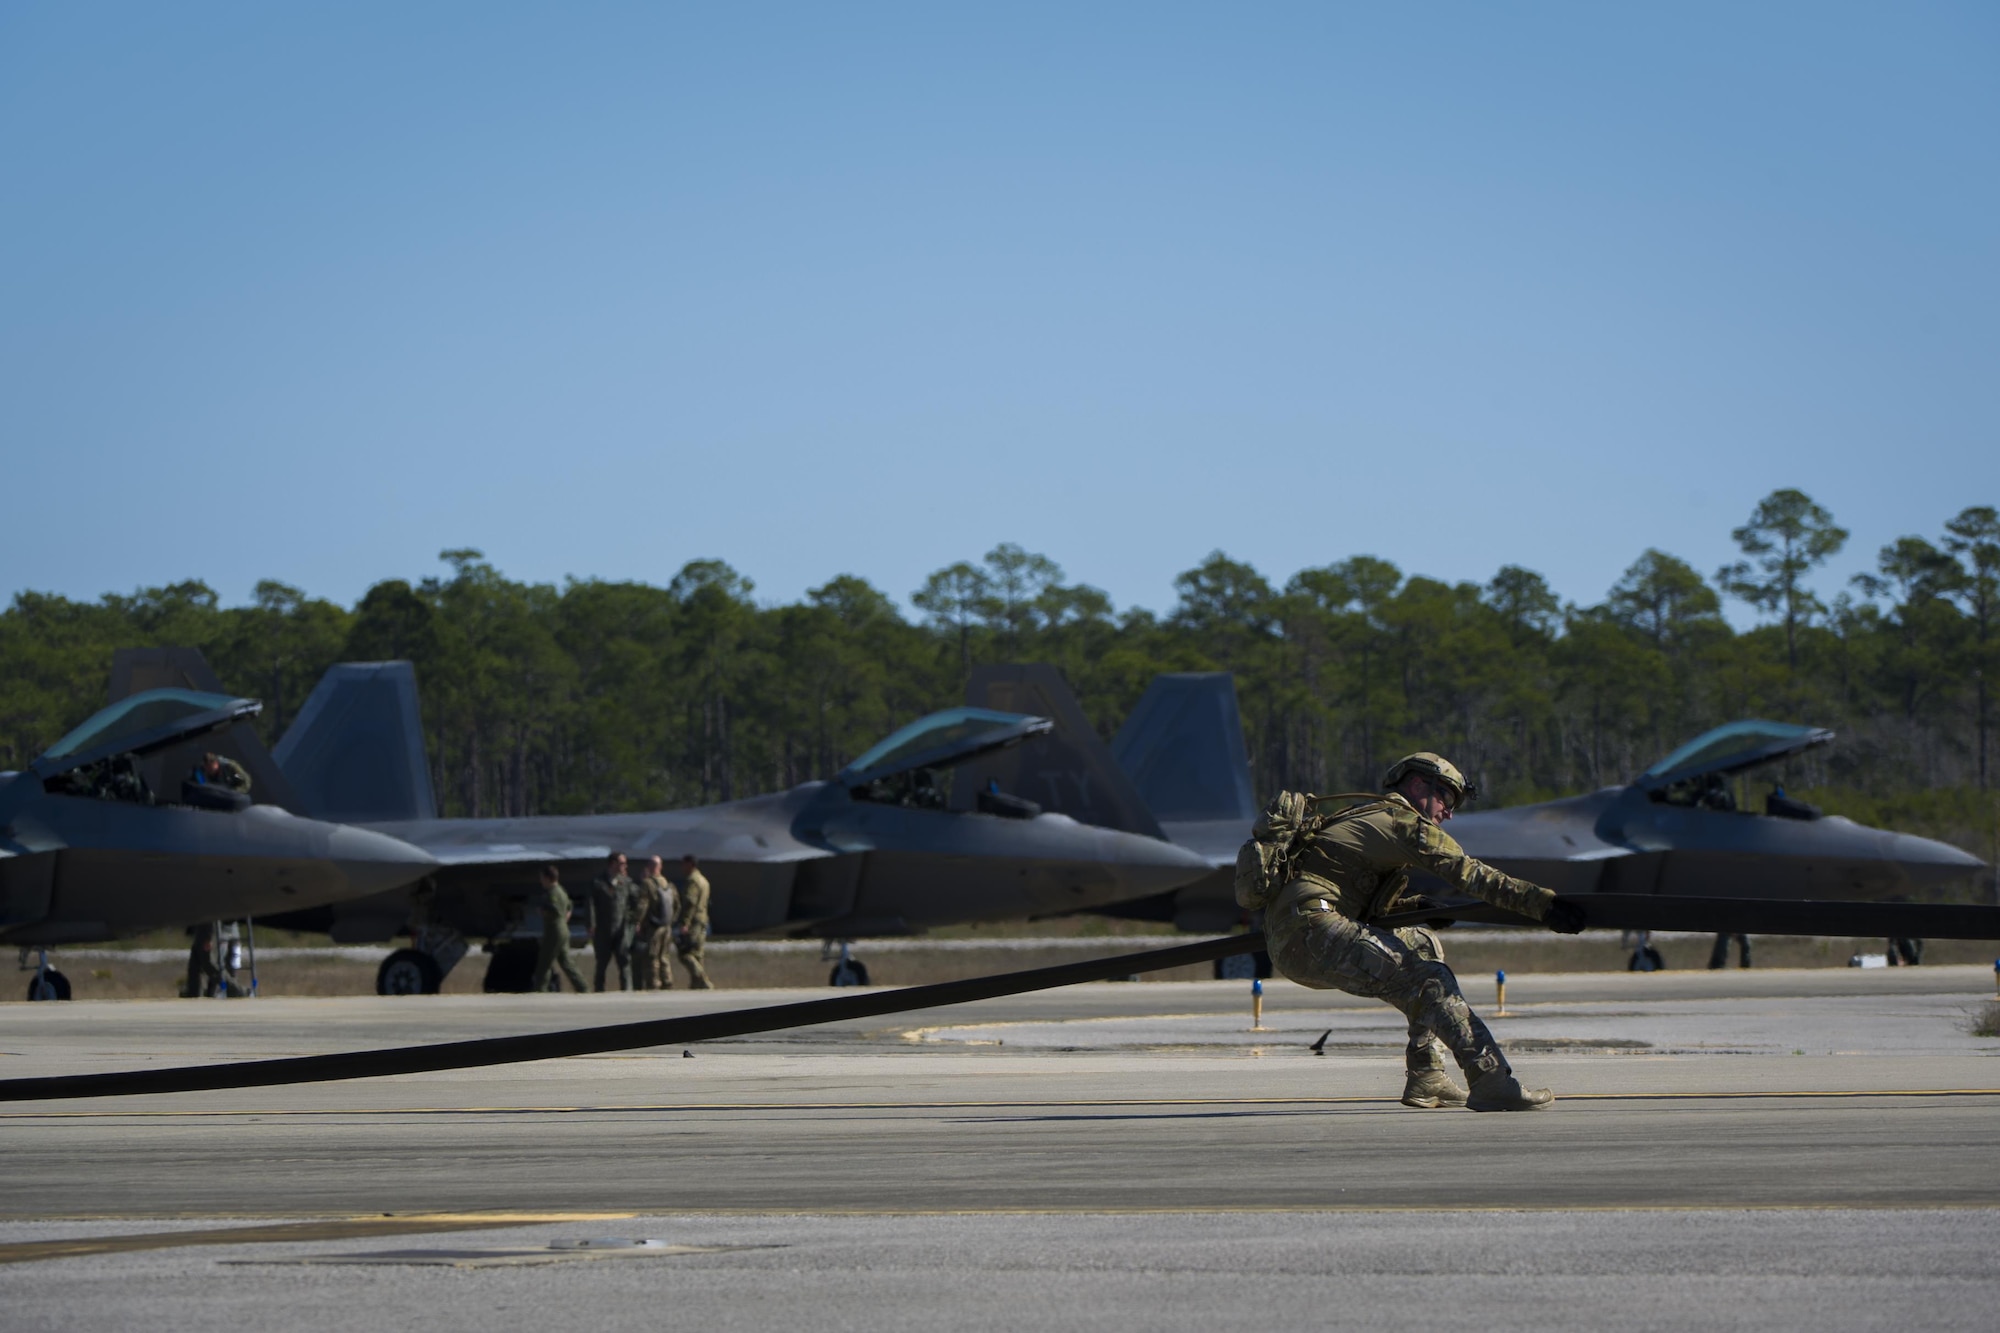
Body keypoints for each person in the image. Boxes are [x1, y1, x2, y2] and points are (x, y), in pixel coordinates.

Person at [1245, 752, 1586, 1112]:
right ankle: (1491, 1080)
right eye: (1447, 799)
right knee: (1430, 981)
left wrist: (1414, 908)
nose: (1449, 813)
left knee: (1423, 945)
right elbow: (1470, 875)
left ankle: (1427, 1075)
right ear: (1419, 785)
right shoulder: (1402, 820)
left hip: (1298, 937)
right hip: (1316, 930)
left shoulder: (1361, 814)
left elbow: (1350, 895)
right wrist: (1543, 906)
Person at [530, 865, 588, 993]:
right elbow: (569, 907)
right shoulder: (562, 891)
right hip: (563, 928)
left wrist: (542, 911)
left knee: (544, 962)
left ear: (547, 878)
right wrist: (563, 918)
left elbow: (553, 910)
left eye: (542, 878)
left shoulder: (552, 893)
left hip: (554, 930)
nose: (541, 881)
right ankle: (582, 987)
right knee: (565, 961)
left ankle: (540, 989)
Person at [589, 853, 636, 991]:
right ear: (613, 864)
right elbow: (590, 904)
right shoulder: (598, 883)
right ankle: (599, 989)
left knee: (624, 962)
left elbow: (637, 900)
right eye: (622, 863)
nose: (625, 866)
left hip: (621, 929)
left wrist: (632, 919)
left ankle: (627, 990)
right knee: (602, 963)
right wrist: (591, 924)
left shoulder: (626, 882)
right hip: (603, 929)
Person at [632, 856, 678, 990]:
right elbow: (677, 906)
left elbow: (643, 905)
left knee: (652, 956)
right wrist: (671, 921)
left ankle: (654, 983)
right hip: (667, 927)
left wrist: (638, 922)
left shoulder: (647, 884)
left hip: (654, 927)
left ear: (650, 867)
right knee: (664, 956)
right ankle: (667, 981)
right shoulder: (669, 884)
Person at [672, 853, 713, 990]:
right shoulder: (704, 880)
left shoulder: (693, 881)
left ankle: (703, 980)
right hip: (702, 920)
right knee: (697, 953)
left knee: (685, 953)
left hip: (694, 921)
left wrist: (685, 923)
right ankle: (696, 984)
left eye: (684, 864)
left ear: (690, 864)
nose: (682, 867)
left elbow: (690, 902)